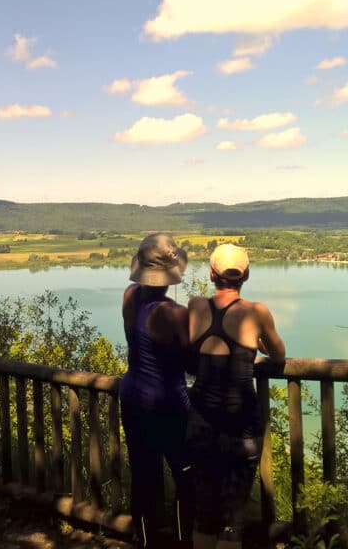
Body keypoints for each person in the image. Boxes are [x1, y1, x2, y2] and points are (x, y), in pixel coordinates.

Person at [186, 243, 286, 549]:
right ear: (247, 275)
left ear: (211, 274)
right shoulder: (256, 312)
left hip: (201, 420)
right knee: (232, 517)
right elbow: (279, 356)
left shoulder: (195, 306)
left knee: (203, 512)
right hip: (241, 423)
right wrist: (253, 350)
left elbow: (192, 359)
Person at [120, 233, 193, 547]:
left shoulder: (129, 296)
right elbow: (192, 365)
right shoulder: (175, 314)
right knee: (185, 473)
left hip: (132, 393)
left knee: (143, 472)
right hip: (167, 401)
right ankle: (181, 539)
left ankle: (146, 541)